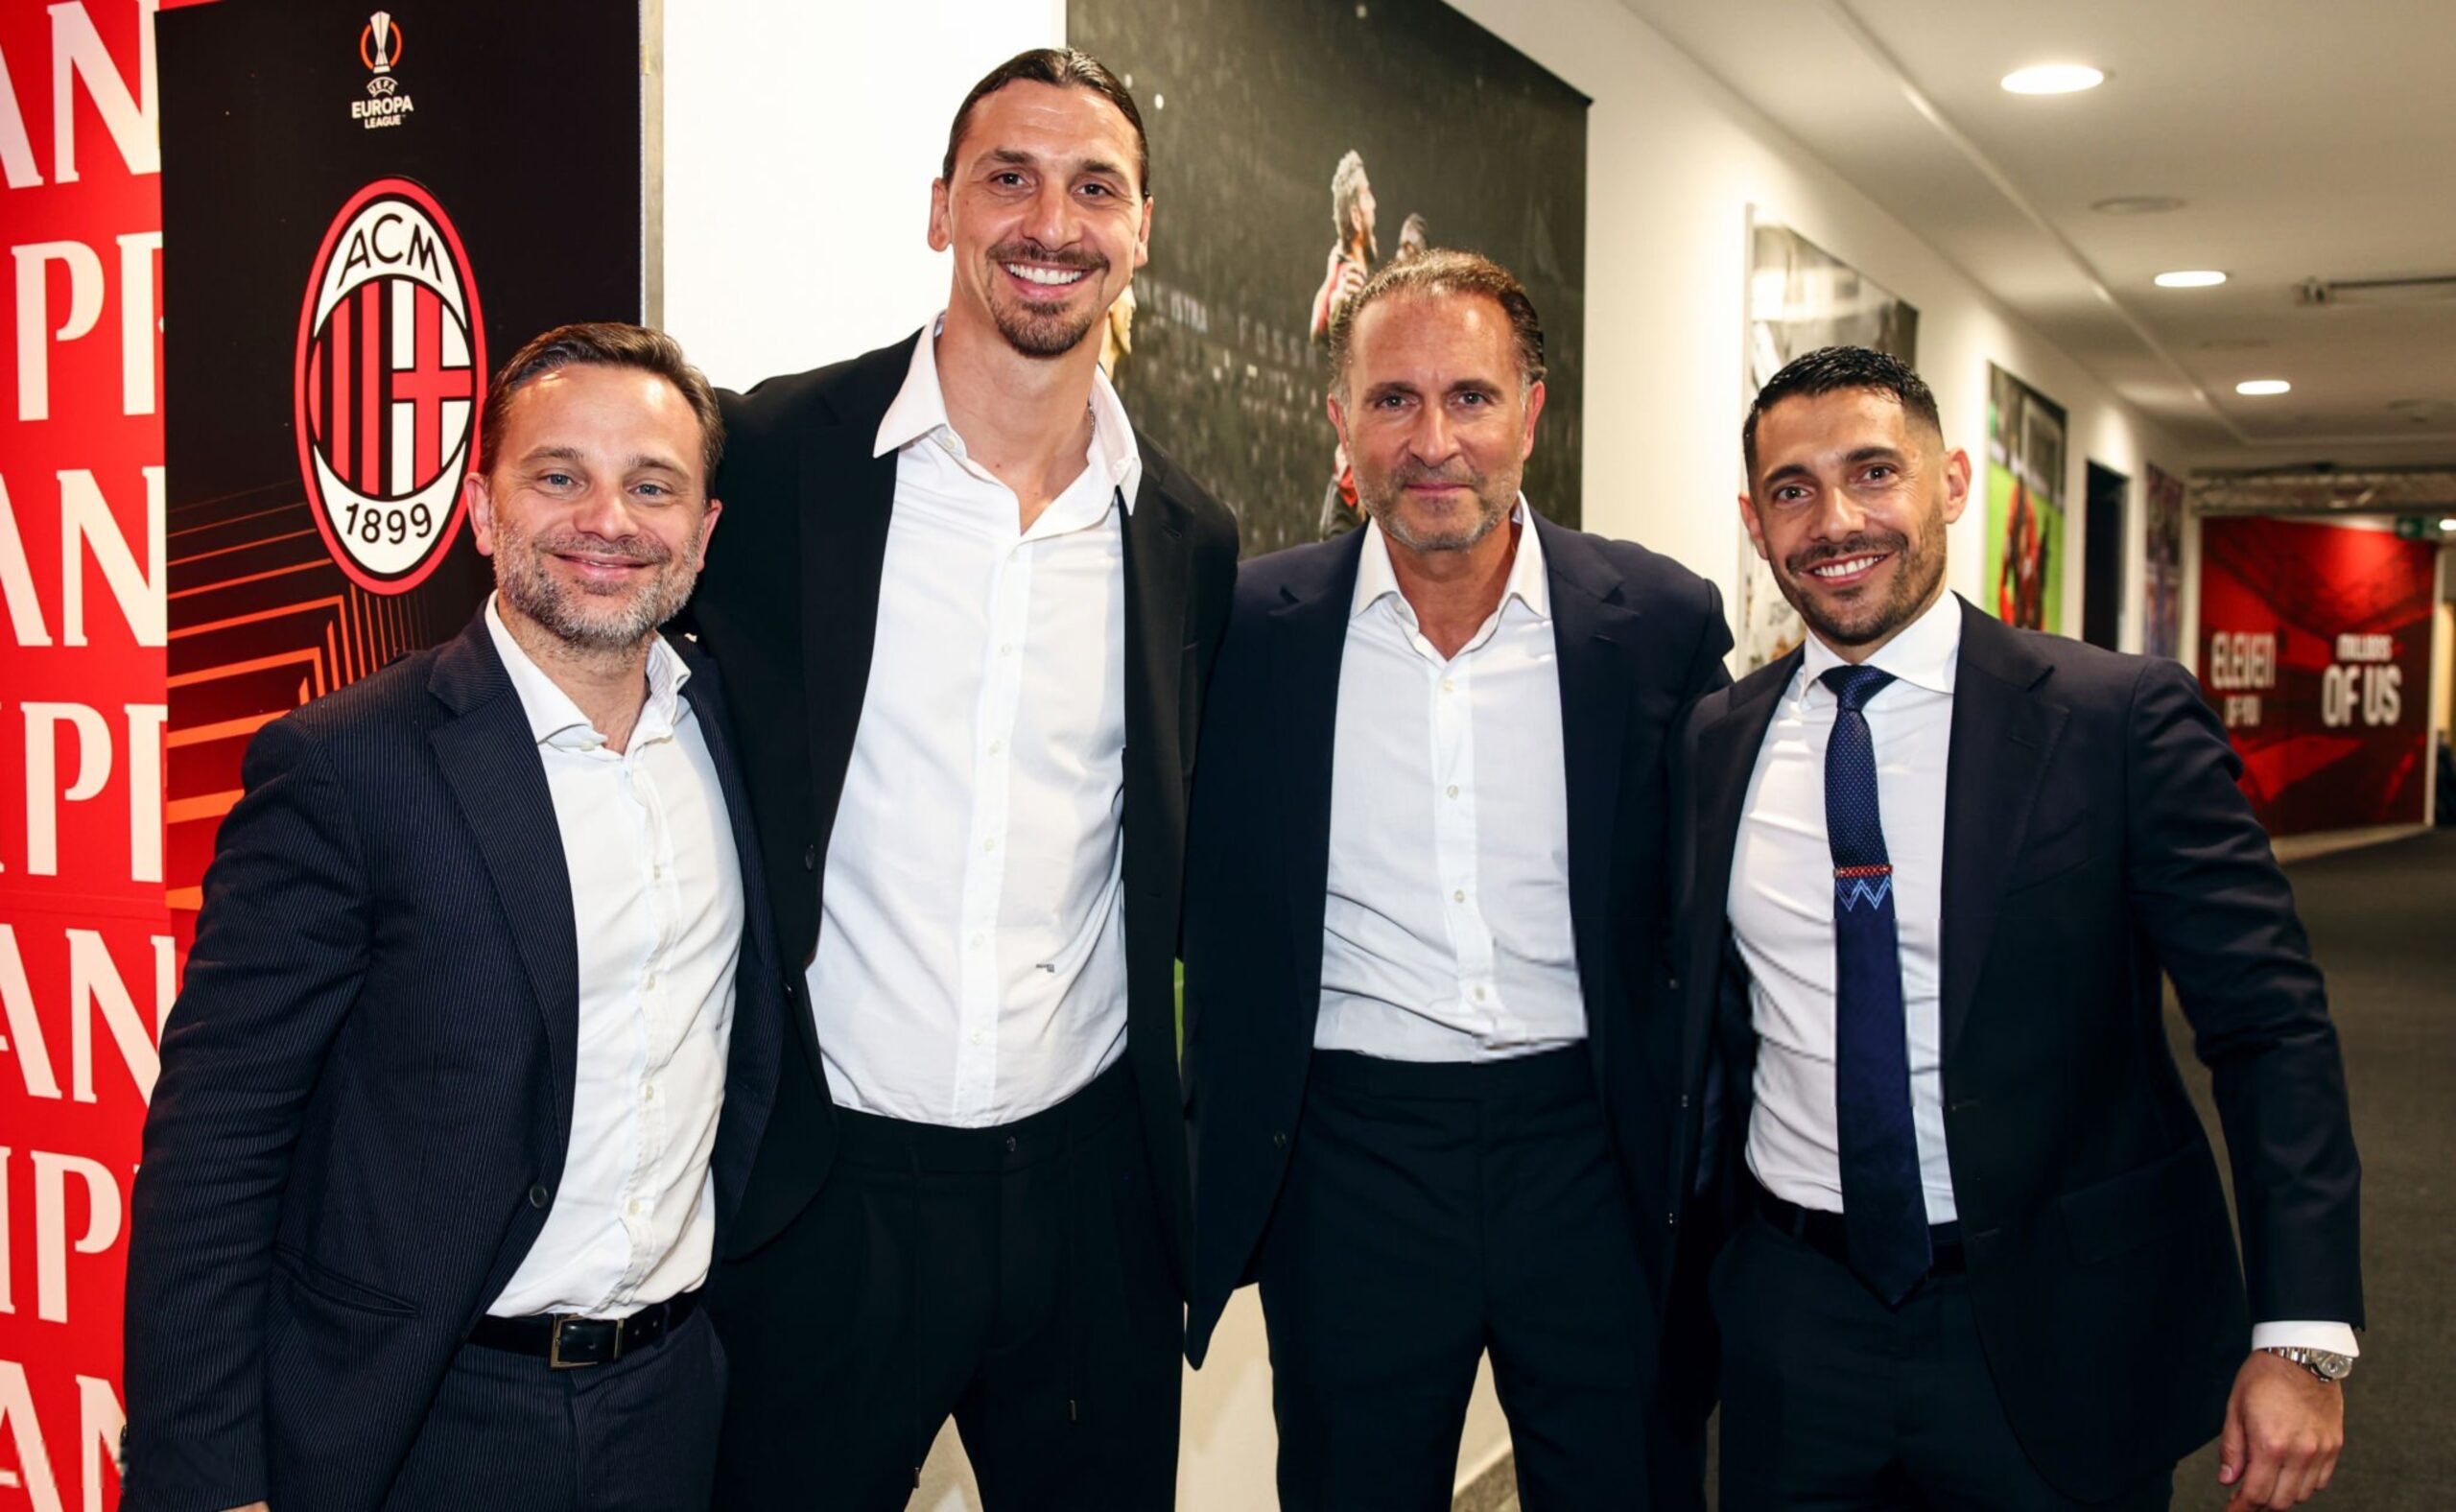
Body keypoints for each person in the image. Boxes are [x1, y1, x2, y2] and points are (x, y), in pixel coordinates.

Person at [1665, 345, 2363, 1511]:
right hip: (1793, 1323)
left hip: (2054, 1322)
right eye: (1793, 488)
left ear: (1950, 482)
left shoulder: (2115, 719)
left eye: (1874, 471)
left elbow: (2269, 1027)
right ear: (1753, 517)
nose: (1835, 519)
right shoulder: (1713, 743)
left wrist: (2299, 1336)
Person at [685, 48, 1238, 1512]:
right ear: (942, 209)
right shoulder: (770, 460)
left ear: (1139, 229)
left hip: (1089, 1206)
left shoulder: (1185, 534)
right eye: (1008, 176)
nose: (1049, 220)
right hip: (823, 1199)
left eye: (1093, 186)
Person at [121, 322, 781, 1512]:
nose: (608, 520)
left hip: (674, 1403)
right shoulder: (344, 765)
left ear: (705, 530)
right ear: (480, 509)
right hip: (431, 1419)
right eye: (557, 475)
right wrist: (206, 1476)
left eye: (652, 485)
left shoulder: (736, 733)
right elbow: (218, 1144)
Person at [1183, 249, 1732, 1511]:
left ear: (1531, 413)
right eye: (1393, 400)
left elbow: (1714, 919)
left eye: (1471, 398)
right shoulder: (1243, 630)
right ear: (1341, 425)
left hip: (1595, 1147)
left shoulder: (1656, 623)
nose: (1434, 441)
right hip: (1352, 1160)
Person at [1311, 150, 1381, 539]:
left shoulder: (1349, 270)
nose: (1375, 207)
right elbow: (1325, 324)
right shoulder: (1350, 281)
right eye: (1368, 198)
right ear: (1356, 215)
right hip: (1354, 490)